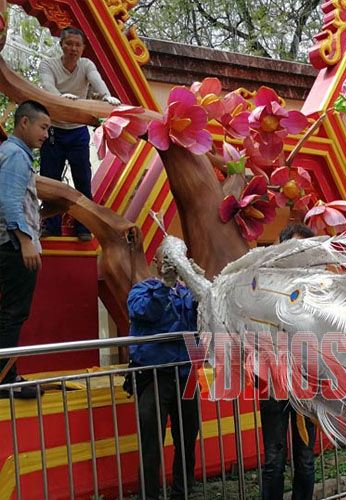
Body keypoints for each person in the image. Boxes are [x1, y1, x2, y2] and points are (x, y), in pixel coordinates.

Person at [126, 246, 199, 499]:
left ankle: (184, 491)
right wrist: (165, 286)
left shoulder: (188, 293)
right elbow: (144, 311)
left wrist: (202, 289)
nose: (172, 263)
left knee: (188, 438)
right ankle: (149, 495)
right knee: (151, 442)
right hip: (154, 376)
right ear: (156, 262)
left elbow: (203, 321)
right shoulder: (142, 289)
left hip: (186, 376)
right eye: (166, 259)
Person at [38, 26, 120, 241]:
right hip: (54, 131)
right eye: (69, 44)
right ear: (61, 45)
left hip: (78, 132)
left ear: (83, 48)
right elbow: (47, 87)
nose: (73, 48)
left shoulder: (86, 64)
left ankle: (84, 228)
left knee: (83, 179)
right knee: (50, 181)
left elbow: (97, 81)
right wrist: (60, 99)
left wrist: (106, 97)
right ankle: (51, 226)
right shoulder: (48, 64)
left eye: (77, 45)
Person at [260, 222, 318, 500]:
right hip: (273, 384)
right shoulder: (264, 286)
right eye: (296, 248)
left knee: (306, 460)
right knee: (274, 459)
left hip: (308, 384)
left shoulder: (320, 290)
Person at [0, 101, 50, 398]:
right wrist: (25, 240)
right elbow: (8, 202)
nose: (46, 134)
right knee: (13, 313)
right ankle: (5, 380)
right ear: (24, 123)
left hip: (8, 243)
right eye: (42, 127)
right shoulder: (16, 156)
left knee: (9, 312)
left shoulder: (10, 154)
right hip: (12, 246)